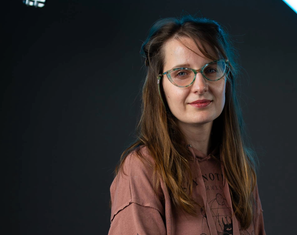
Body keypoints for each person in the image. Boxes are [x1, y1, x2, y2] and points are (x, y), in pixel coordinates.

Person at [108, 16, 266, 235]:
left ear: (226, 77)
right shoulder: (143, 169)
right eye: (181, 73)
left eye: (211, 70)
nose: (200, 86)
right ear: (159, 86)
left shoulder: (240, 168)